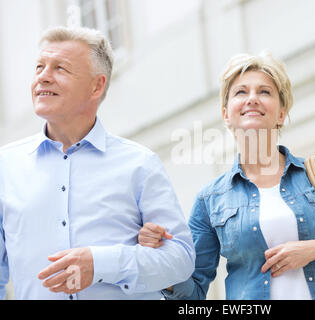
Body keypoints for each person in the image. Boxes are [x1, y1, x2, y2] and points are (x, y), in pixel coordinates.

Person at [138, 51, 315, 300]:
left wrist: (313, 249)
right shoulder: (210, 200)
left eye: (264, 92)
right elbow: (192, 294)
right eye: (241, 92)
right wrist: (163, 257)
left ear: (281, 113)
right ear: (226, 114)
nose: (252, 99)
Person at [0, 26, 195, 300]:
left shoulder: (139, 164)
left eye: (60, 68)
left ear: (97, 85)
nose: (43, 77)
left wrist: (100, 264)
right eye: (39, 67)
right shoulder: (5, 167)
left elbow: (180, 259)